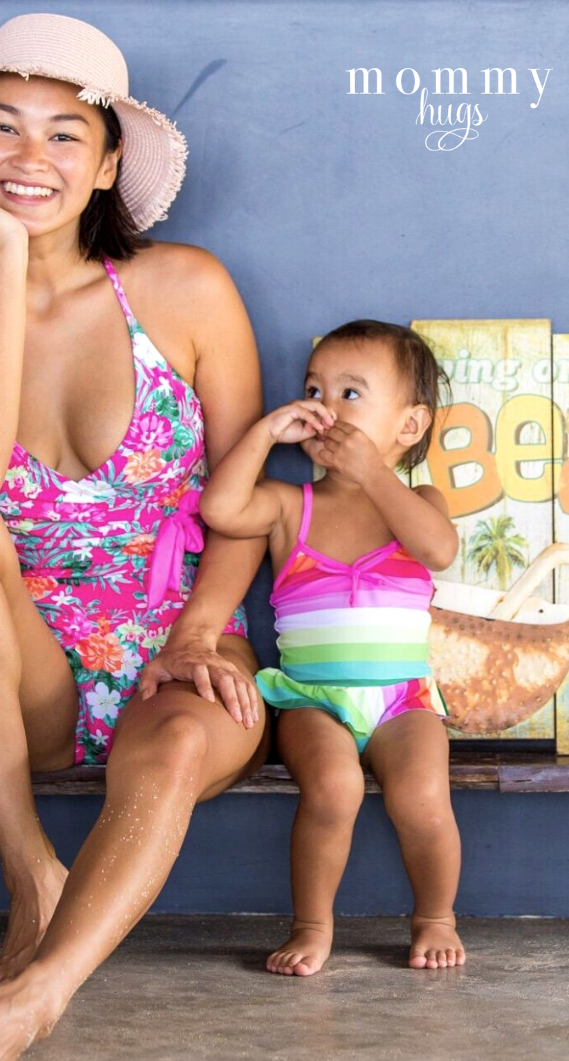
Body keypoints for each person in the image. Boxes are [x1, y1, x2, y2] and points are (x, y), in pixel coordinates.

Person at [0, 13, 269, 1061]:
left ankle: (41, 995)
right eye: (2, 129)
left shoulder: (187, 289)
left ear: (107, 164)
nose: (29, 160)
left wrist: (197, 632)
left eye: (63, 136)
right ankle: (25, 863)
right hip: (26, 676)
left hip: (181, 646)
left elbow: (240, 499)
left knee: (181, 737)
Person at [200, 320, 466, 977]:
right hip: (311, 700)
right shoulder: (290, 506)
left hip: (403, 700)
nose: (324, 406)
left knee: (425, 797)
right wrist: (265, 433)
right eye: (314, 388)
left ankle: (436, 915)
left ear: (408, 427)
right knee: (334, 785)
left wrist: (375, 475)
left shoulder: (415, 502)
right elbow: (221, 509)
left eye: (351, 394)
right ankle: (312, 923)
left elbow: (439, 550)